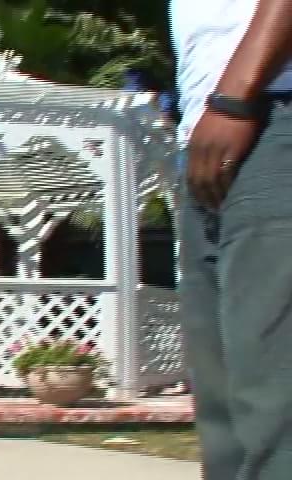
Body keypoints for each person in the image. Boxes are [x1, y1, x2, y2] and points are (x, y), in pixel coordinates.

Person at [170, 0, 292, 479]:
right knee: (225, 422)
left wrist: (235, 98)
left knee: (273, 408)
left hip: (266, 111)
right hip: (210, 134)